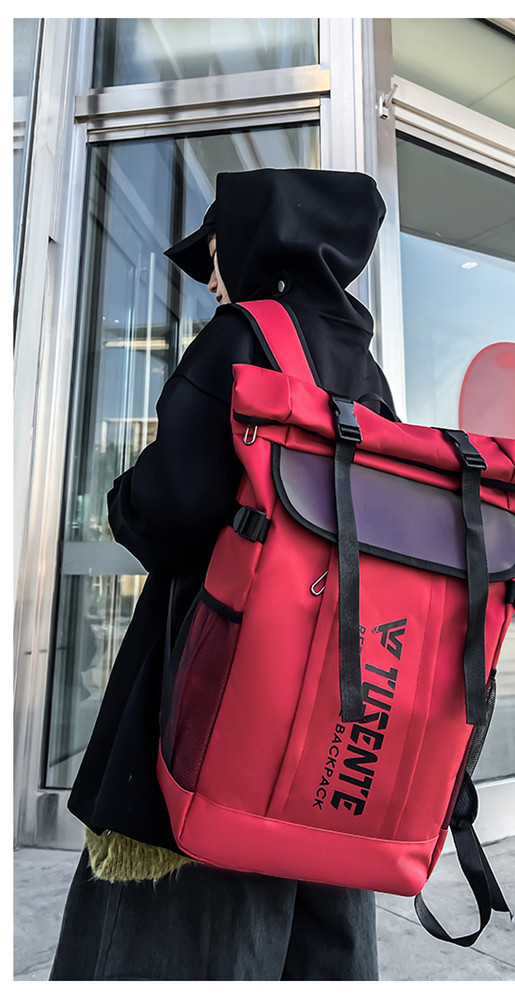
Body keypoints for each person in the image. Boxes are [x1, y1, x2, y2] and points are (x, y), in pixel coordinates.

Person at [50, 169, 397, 981]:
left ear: (249, 239)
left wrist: (121, 499)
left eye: (211, 252)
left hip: (219, 690)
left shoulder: (243, 336)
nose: (209, 275)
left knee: (178, 932)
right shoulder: (367, 369)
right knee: (315, 926)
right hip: (331, 708)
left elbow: (167, 508)